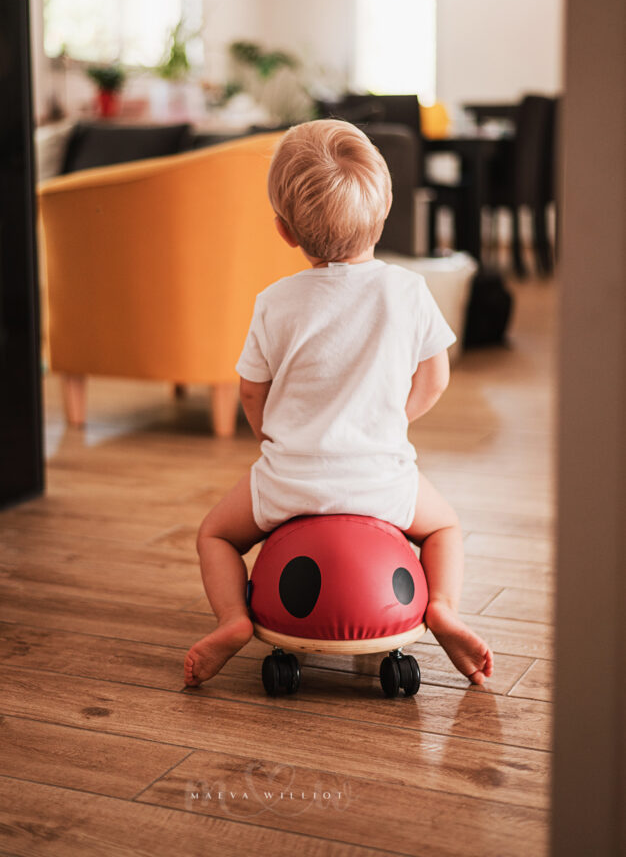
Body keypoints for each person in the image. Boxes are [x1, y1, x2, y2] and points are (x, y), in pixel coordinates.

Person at [184, 119, 493, 688]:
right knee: (444, 528)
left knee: (215, 536)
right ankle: (443, 607)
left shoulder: (275, 303)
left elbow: (252, 390)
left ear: (284, 230)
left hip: (289, 481)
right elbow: (436, 377)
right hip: (381, 479)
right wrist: (393, 420)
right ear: (386, 208)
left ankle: (232, 618)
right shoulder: (407, 290)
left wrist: (272, 435)